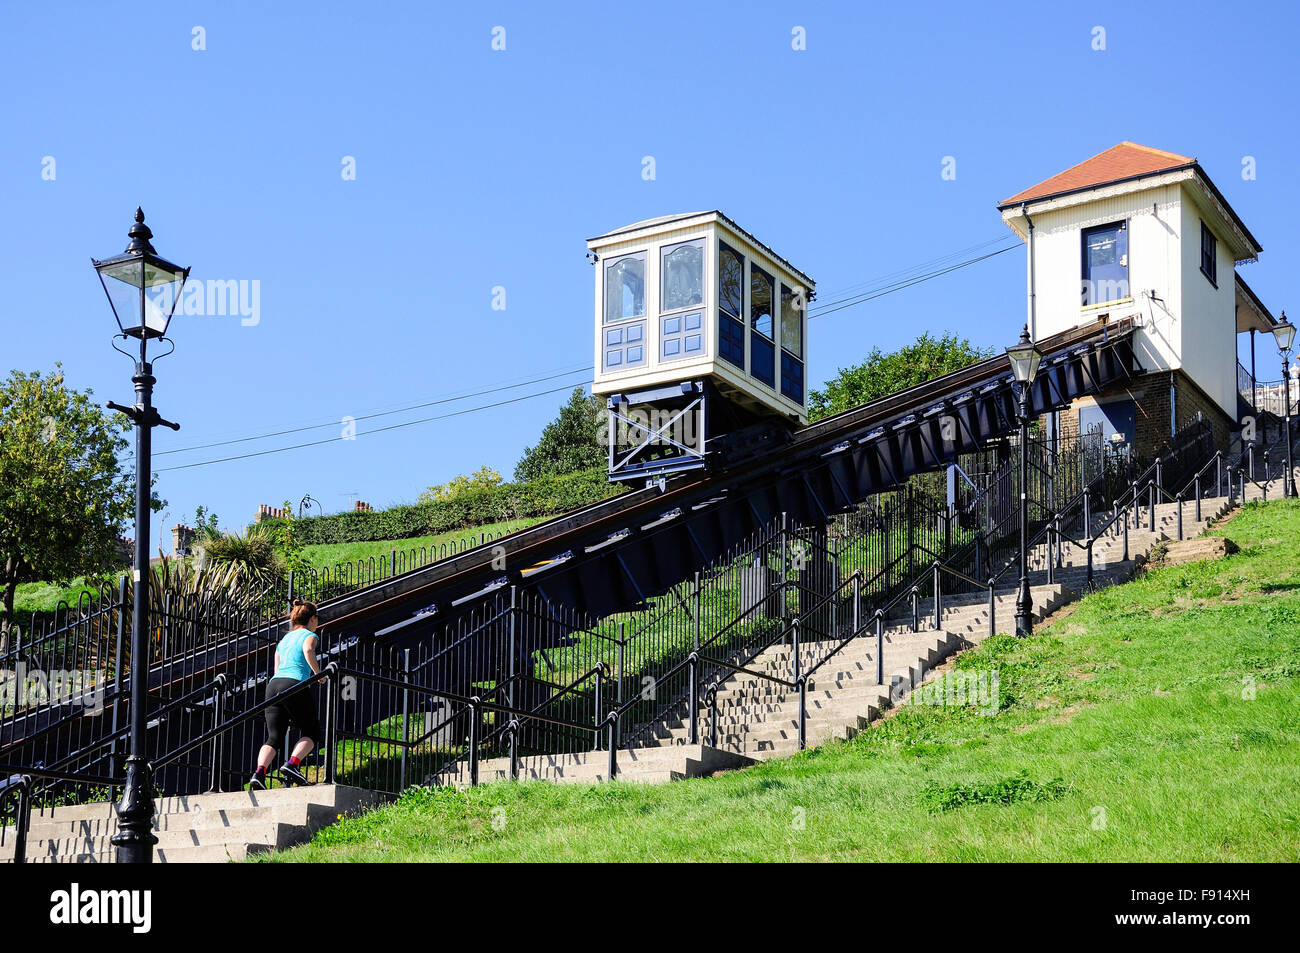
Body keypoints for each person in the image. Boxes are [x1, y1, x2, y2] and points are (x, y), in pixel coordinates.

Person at [249, 598, 322, 789]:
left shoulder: (284, 640)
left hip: (274, 685)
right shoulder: (309, 635)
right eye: (317, 619)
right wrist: (318, 674)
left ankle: (259, 773)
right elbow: (308, 650)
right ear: (312, 619)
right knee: (312, 732)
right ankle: (292, 764)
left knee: (274, 736)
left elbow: (277, 666)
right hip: (295, 683)